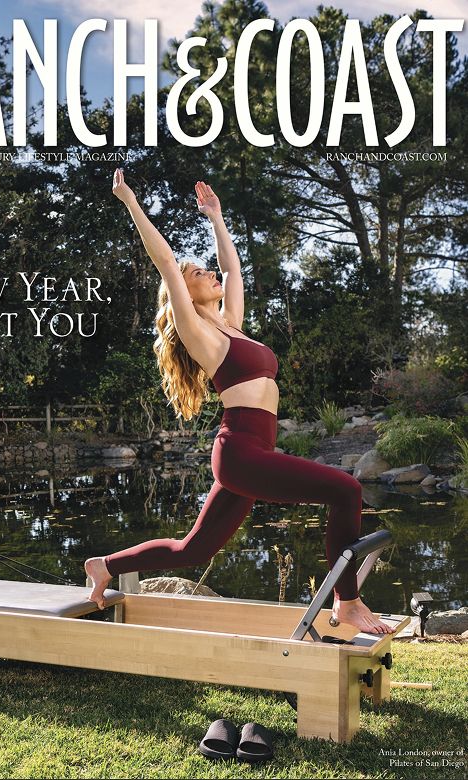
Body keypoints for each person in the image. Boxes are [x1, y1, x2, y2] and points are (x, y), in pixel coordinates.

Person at [84, 170, 394, 635]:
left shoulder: (231, 323)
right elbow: (165, 261)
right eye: (195, 273)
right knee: (345, 490)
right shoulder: (199, 333)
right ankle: (346, 601)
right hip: (240, 452)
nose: (206, 272)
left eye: (203, 269)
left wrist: (216, 218)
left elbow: (232, 270)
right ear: (181, 293)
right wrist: (130, 201)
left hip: (254, 453)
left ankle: (103, 565)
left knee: (193, 549)